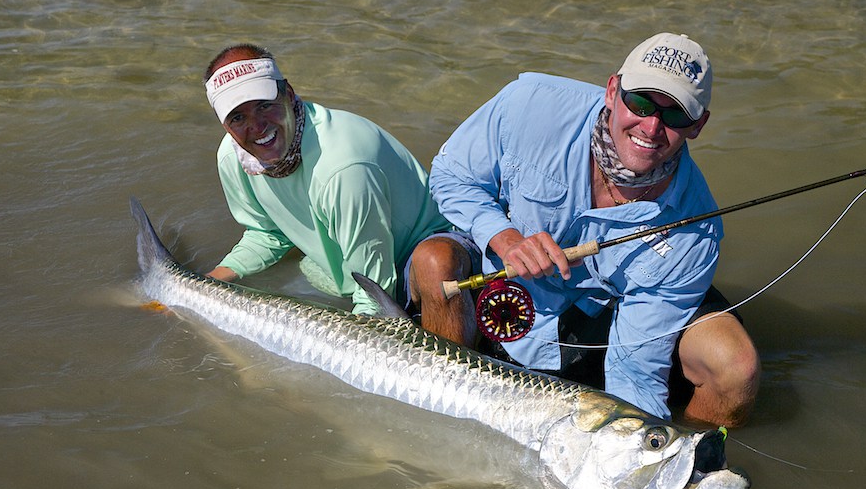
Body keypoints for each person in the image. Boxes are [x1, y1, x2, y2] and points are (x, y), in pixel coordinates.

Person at [423, 32, 760, 427]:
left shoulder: (695, 232)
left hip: (606, 313)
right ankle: (438, 416)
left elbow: (635, 369)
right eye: (640, 102)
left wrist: (634, 438)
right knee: (433, 263)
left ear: (698, 125)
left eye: (675, 115)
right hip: (499, 270)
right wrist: (504, 236)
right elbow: (449, 176)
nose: (651, 127)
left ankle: (687, 450)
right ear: (612, 90)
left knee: (735, 366)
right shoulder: (530, 105)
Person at [202, 43, 465, 318]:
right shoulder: (231, 158)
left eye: (265, 106)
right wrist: (211, 280)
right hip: (339, 271)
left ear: (289, 94)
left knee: (435, 265)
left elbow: (375, 292)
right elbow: (268, 233)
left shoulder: (343, 167)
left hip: (413, 264)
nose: (256, 127)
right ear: (225, 125)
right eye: (238, 117)